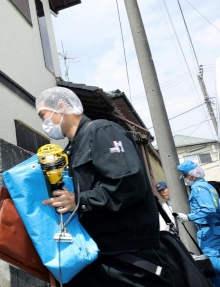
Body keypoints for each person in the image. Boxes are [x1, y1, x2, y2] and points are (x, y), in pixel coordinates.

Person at [36, 87, 175, 286]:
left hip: (131, 258)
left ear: (60, 106)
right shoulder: (71, 149)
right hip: (97, 255)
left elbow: (128, 183)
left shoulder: (101, 130)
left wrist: (79, 200)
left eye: (43, 115)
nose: (44, 123)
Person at [175, 160, 220, 287]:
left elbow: (209, 209)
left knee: (211, 262)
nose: (184, 179)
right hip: (212, 229)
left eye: (185, 175)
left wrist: (188, 217)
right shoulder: (208, 187)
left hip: (209, 231)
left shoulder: (198, 188)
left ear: (192, 175)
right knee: (213, 272)